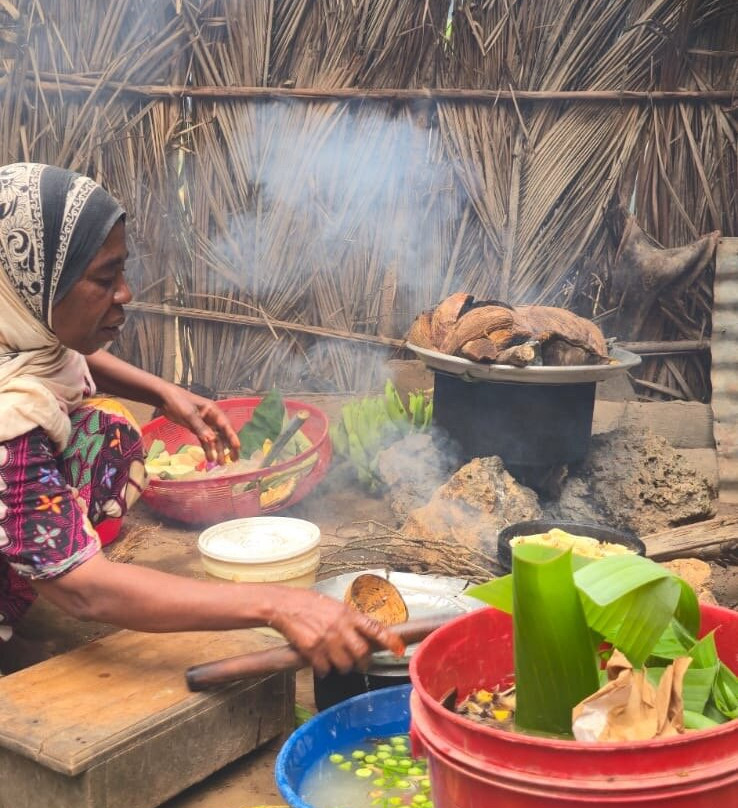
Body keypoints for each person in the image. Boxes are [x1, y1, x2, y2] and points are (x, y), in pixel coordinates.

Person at [0, 162, 402, 675]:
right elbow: (85, 592)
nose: (125, 292)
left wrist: (165, 393)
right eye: (104, 278)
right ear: (34, 287)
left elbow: (60, 353)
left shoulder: (16, 326)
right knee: (65, 527)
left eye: (122, 271)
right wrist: (281, 604)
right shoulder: (10, 426)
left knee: (108, 435)